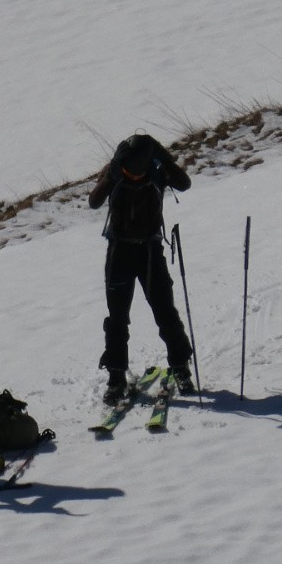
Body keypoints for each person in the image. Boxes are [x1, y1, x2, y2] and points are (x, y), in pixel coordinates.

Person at [89, 133, 196, 403]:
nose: (133, 178)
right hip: (120, 251)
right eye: (128, 172)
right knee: (117, 318)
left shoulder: (158, 168)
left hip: (149, 251)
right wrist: (112, 175)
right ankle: (115, 378)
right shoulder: (116, 169)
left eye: (137, 174)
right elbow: (93, 201)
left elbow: (184, 183)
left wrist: (164, 159)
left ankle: (181, 367)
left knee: (164, 310)